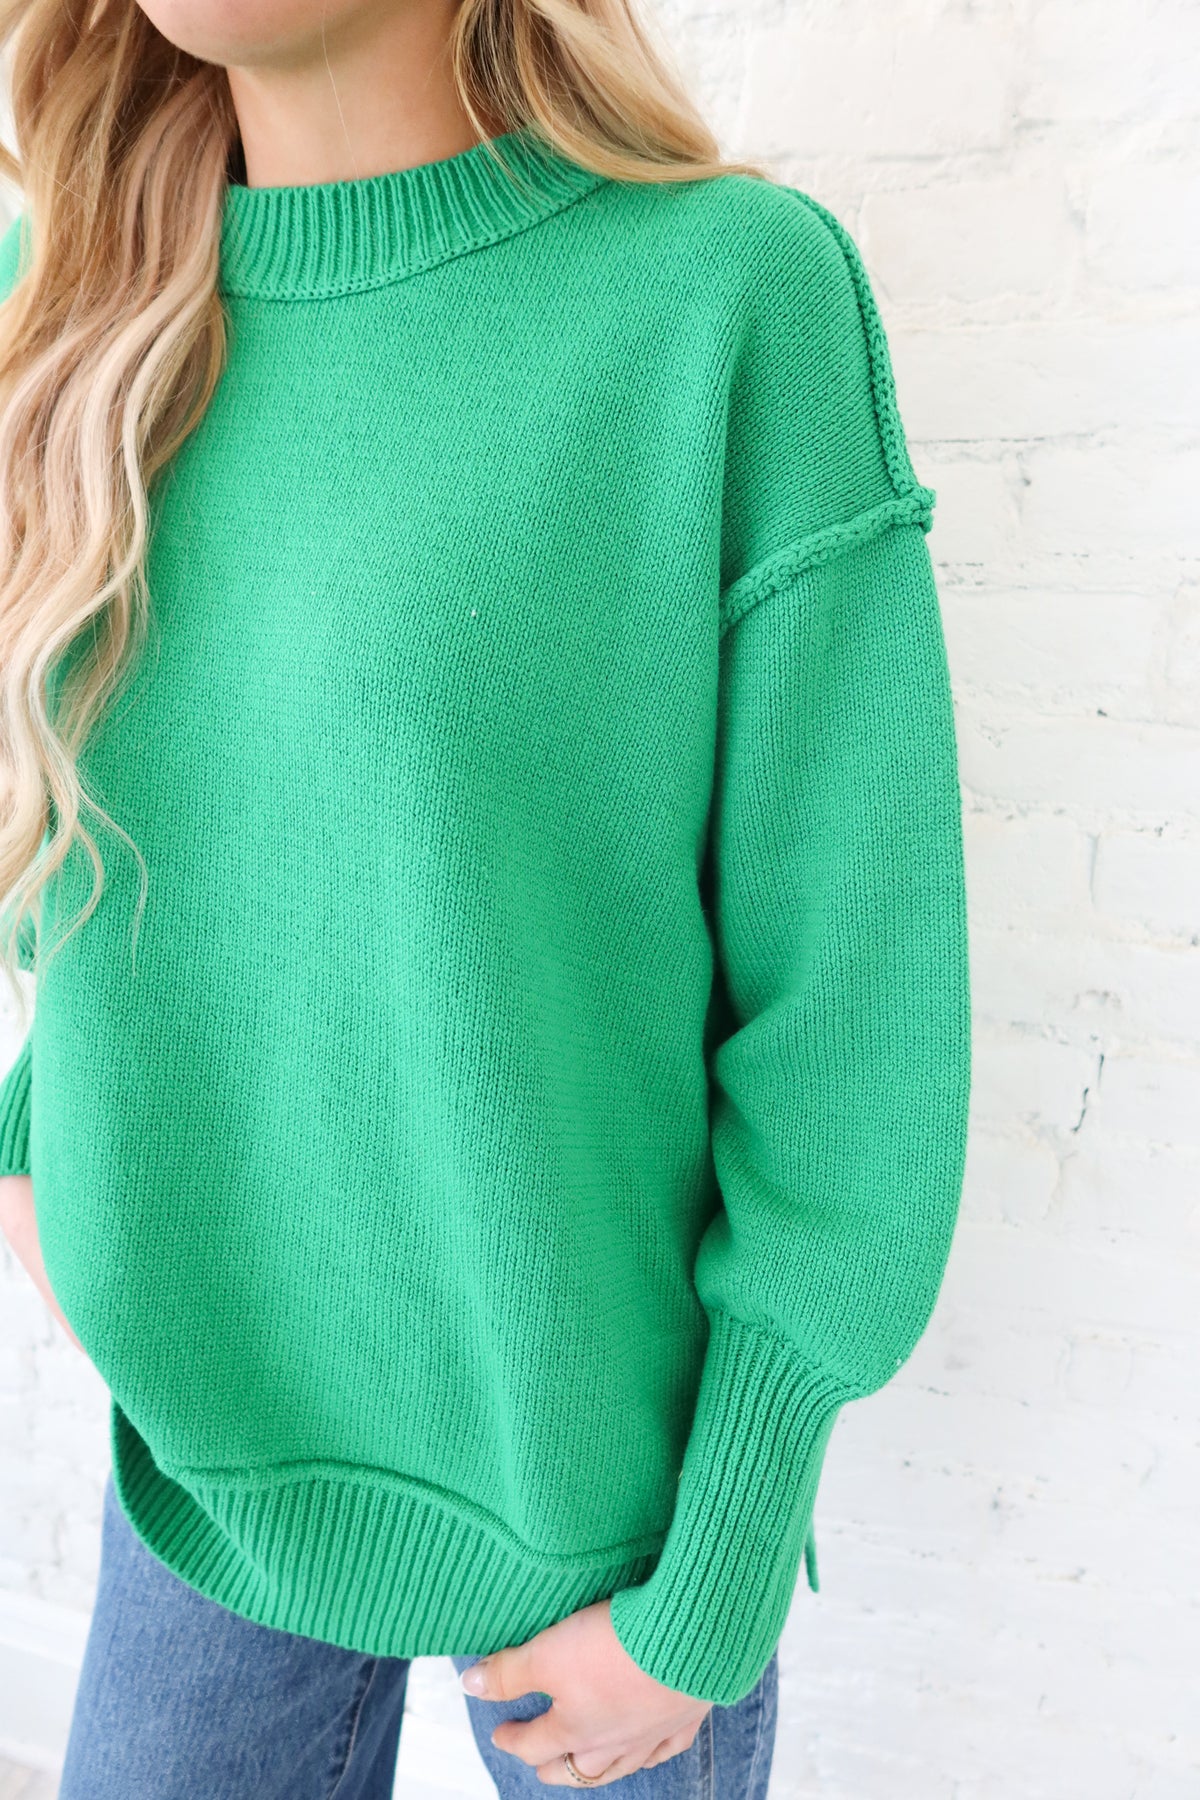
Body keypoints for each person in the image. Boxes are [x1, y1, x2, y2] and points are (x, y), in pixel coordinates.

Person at [0, 0, 972, 1793]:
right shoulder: (66, 304)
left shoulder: (723, 301)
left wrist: (713, 1585)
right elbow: (82, 801)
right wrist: (36, 1125)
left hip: (610, 1540)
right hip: (204, 1458)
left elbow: (851, 1017)